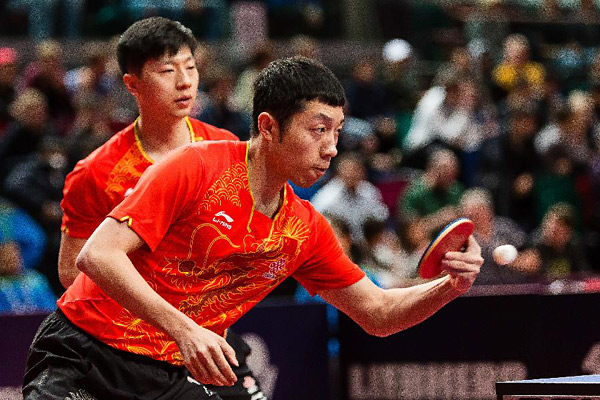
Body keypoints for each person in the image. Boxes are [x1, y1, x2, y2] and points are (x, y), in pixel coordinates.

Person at [23, 56, 483, 400]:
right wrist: (186, 331)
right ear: (268, 126)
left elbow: (377, 313)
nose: (331, 148)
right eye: (317, 129)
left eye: (337, 132)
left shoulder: (304, 229)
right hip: (85, 353)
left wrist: (449, 287)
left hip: (165, 376)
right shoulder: (195, 168)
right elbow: (97, 256)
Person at [50, 17, 264, 400]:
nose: (184, 82)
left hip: (208, 339)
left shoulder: (228, 149)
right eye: (167, 71)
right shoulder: (97, 173)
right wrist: (158, 311)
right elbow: (71, 272)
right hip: (131, 350)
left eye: (190, 67)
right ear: (132, 84)